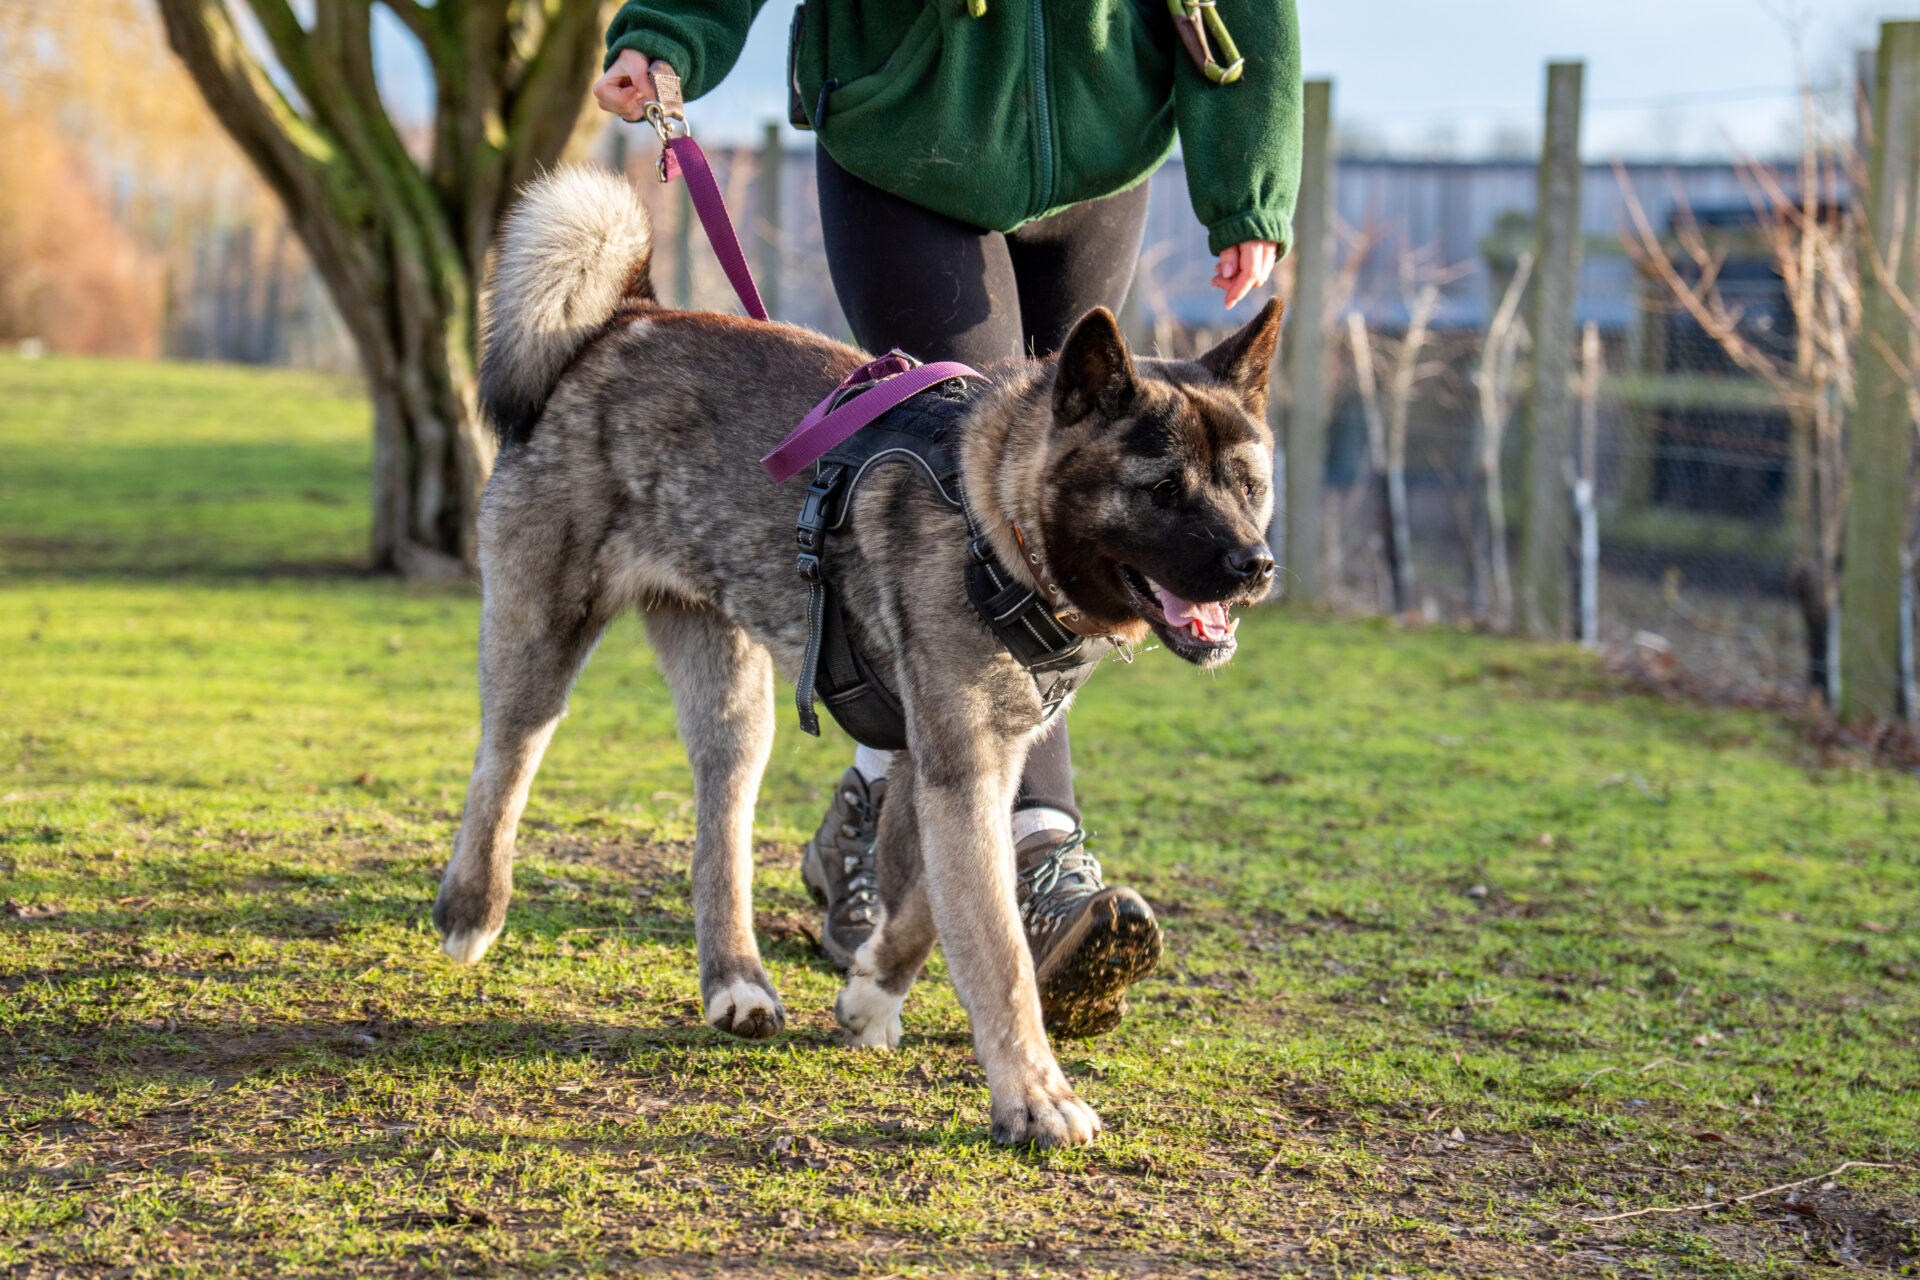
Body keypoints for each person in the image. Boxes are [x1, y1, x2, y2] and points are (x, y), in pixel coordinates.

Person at [592, 0, 1301, 1037]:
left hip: (1100, 137)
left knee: (1069, 523)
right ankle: (1040, 852)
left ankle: (874, 805)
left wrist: (1248, 173)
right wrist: (674, 28)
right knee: (960, 527)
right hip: (906, 125)